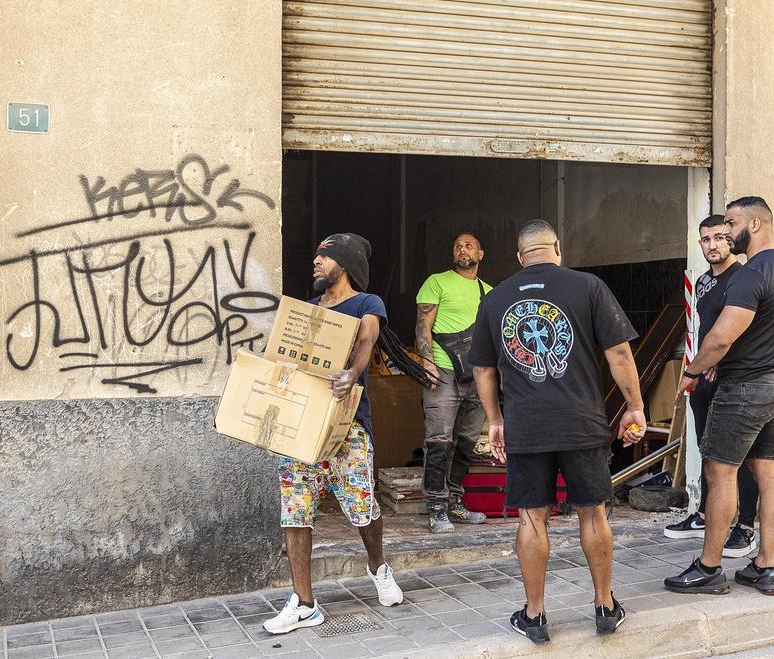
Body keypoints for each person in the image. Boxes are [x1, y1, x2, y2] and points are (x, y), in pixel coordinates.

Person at [469, 220, 645, 642]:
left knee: (532, 517)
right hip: (582, 422)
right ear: (558, 249)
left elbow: (482, 369)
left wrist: (495, 419)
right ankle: (604, 606)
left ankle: (535, 615)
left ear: (519, 257)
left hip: (527, 427)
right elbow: (619, 351)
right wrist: (634, 406)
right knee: (592, 512)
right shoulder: (588, 287)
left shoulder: (495, 298)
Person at [665, 196, 774, 597]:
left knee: (720, 472)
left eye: (730, 223)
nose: (726, 232)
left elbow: (723, 336)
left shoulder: (751, 273)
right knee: (769, 474)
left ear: (756, 224)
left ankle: (710, 567)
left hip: (746, 387)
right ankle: (764, 566)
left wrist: (690, 373)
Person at [265, 233, 404, 635]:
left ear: (343, 265)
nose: (315, 263)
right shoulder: (306, 312)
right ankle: (304, 602)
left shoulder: (366, 303)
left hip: (348, 425)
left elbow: (367, 338)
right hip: (301, 427)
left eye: (323, 258)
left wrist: (352, 373)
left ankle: (377, 565)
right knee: (295, 511)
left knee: (362, 506)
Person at [664, 214, 761, 558]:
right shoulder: (703, 282)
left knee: (743, 457)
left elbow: (744, 330)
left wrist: (720, 361)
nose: (712, 245)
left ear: (731, 239)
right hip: (703, 378)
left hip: (733, 380)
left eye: (720, 237)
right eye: (706, 240)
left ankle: (746, 526)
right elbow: (705, 331)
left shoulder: (743, 279)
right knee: (709, 452)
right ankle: (706, 515)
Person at [415, 232, 491, 533]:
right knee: (439, 442)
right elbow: (423, 325)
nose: (463, 249)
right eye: (458, 245)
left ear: (480, 254)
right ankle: (436, 507)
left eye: (469, 244)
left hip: (478, 376)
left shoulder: (490, 292)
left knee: (467, 443)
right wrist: (427, 363)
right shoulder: (437, 282)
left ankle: (455, 502)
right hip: (444, 371)